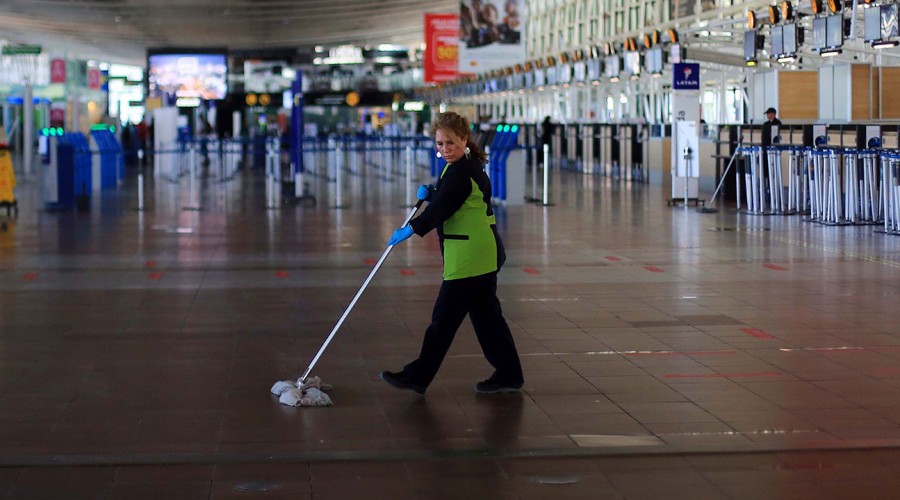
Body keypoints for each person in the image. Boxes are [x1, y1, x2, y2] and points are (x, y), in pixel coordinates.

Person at [381, 111, 524, 395]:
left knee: (443, 321)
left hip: (470, 256)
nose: (445, 149)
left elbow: (443, 208)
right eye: (439, 144)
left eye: (450, 143)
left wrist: (411, 229)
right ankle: (509, 374)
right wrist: (433, 192)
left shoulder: (462, 171)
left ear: (465, 139)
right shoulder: (461, 166)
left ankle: (418, 377)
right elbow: (451, 198)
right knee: (488, 320)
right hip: (479, 252)